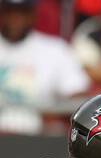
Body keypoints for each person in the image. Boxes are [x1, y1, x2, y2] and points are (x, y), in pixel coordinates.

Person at [0, 0, 90, 134]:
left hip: (41, 139)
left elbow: (78, 97)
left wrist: (54, 116)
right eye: (10, 11)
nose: (15, 18)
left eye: (22, 12)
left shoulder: (55, 50)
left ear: (33, 14)